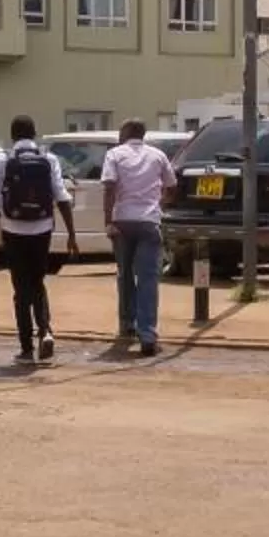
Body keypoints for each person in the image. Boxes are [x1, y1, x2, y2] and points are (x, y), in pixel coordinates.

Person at [0, 117, 76, 364]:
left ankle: (26, 347)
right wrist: (71, 234)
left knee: (20, 287)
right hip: (42, 229)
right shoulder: (49, 159)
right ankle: (45, 330)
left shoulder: (1, 160)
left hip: (13, 230)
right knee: (38, 282)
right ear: (35, 134)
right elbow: (62, 196)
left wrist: (9, 218)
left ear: (12, 135)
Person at [100, 118, 175, 358]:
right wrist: (158, 204)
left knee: (124, 274)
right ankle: (148, 335)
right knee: (148, 279)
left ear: (126, 133)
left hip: (122, 220)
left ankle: (126, 325)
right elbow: (172, 186)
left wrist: (108, 222)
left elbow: (109, 187)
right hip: (149, 221)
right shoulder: (158, 155)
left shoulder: (114, 155)